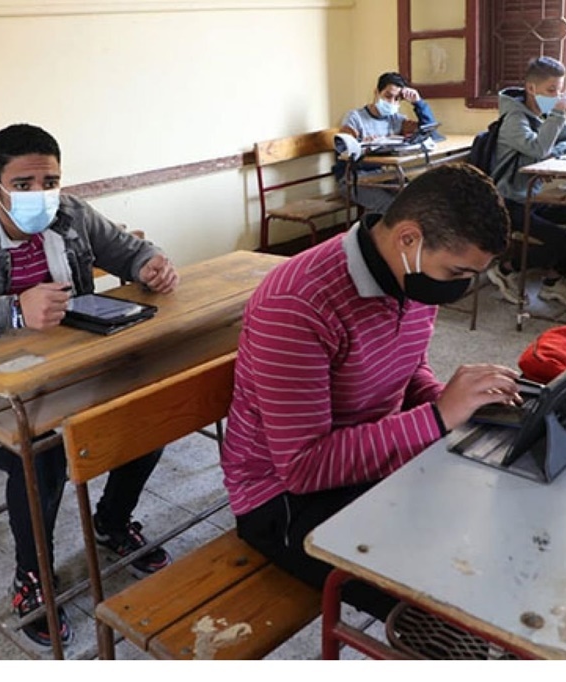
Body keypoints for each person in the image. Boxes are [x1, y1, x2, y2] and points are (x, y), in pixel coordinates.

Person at [0, 123, 179, 649]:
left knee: (147, 405)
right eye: (23, 184)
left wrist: (149, 264)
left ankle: (112, 521)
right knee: (41, 454)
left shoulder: (71, 215)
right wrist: (13, 311)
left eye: (50, 181)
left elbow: (126, 250)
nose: (40, 194)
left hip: (62, 374)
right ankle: (32, 576)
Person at [220, 163, 517, 624]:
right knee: (446, 610)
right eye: (457, 271)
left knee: (499, 529)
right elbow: (302, 467)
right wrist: (439, 416)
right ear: (408, 238)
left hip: (367, 462)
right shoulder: (298, 304)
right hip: (281, 500)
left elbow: (406, 369)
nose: (461, 286)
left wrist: (461, 403)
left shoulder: (410, 275)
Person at [485, 56, 566, 308]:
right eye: (551, 90)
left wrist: (554, 151)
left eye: (560, 90)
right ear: (531, 88)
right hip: (506, 202)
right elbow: (538, 149)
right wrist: (559, 112)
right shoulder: (514, 120)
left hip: (530, 197)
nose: (557, 96)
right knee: (563, 241)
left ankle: (553, 282)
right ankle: (505, 269)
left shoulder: (545, 114)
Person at [334, 71, 441, 215]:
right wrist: (362, 145)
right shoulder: (355, 118)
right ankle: (373, 228)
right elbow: (344, 149)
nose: (392, 102)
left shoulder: (395, 119)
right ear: (376, 93)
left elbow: (429, 131)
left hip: (383, 175)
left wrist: (418, 103)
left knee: (415, 199)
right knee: (390, 206)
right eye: (388, 96)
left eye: (397, 99)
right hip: (353, 177)